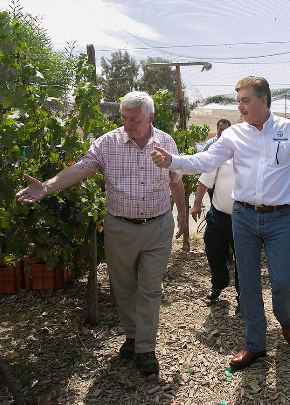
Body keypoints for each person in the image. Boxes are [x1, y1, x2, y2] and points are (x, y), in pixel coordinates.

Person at [150, 76, 290, 371]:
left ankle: (284, 317)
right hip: (244, 217)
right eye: (238, 101)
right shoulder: (233, 135)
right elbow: (205, 161)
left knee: (284, 281)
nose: (240, 107)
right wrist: (172, 161)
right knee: (248, 282)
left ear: (263, 100)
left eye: (245, 101)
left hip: (281, 219)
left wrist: (285, 199)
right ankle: (255, 344)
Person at [15, 91, 187, 375]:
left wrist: (181, 212)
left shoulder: (166, 141)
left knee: (151, 288)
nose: (128, 124)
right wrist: (46, 187)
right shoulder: (108, 143)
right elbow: (80, 169)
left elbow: (176, 180)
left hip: (158, 226)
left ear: (150, 118)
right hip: (120, 227)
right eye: (124, 118)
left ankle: (146, 348)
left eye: (135, 119)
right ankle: (132, 335)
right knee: (123, 287)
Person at [190, 138, 239, 305]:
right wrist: (196, 204)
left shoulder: (253, 157)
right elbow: (205, 181)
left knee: (243, 259)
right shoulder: (221, 156)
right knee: (214, 251)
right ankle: (219, 283)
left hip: (243, 220)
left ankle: (243, 295)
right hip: (218, 216)